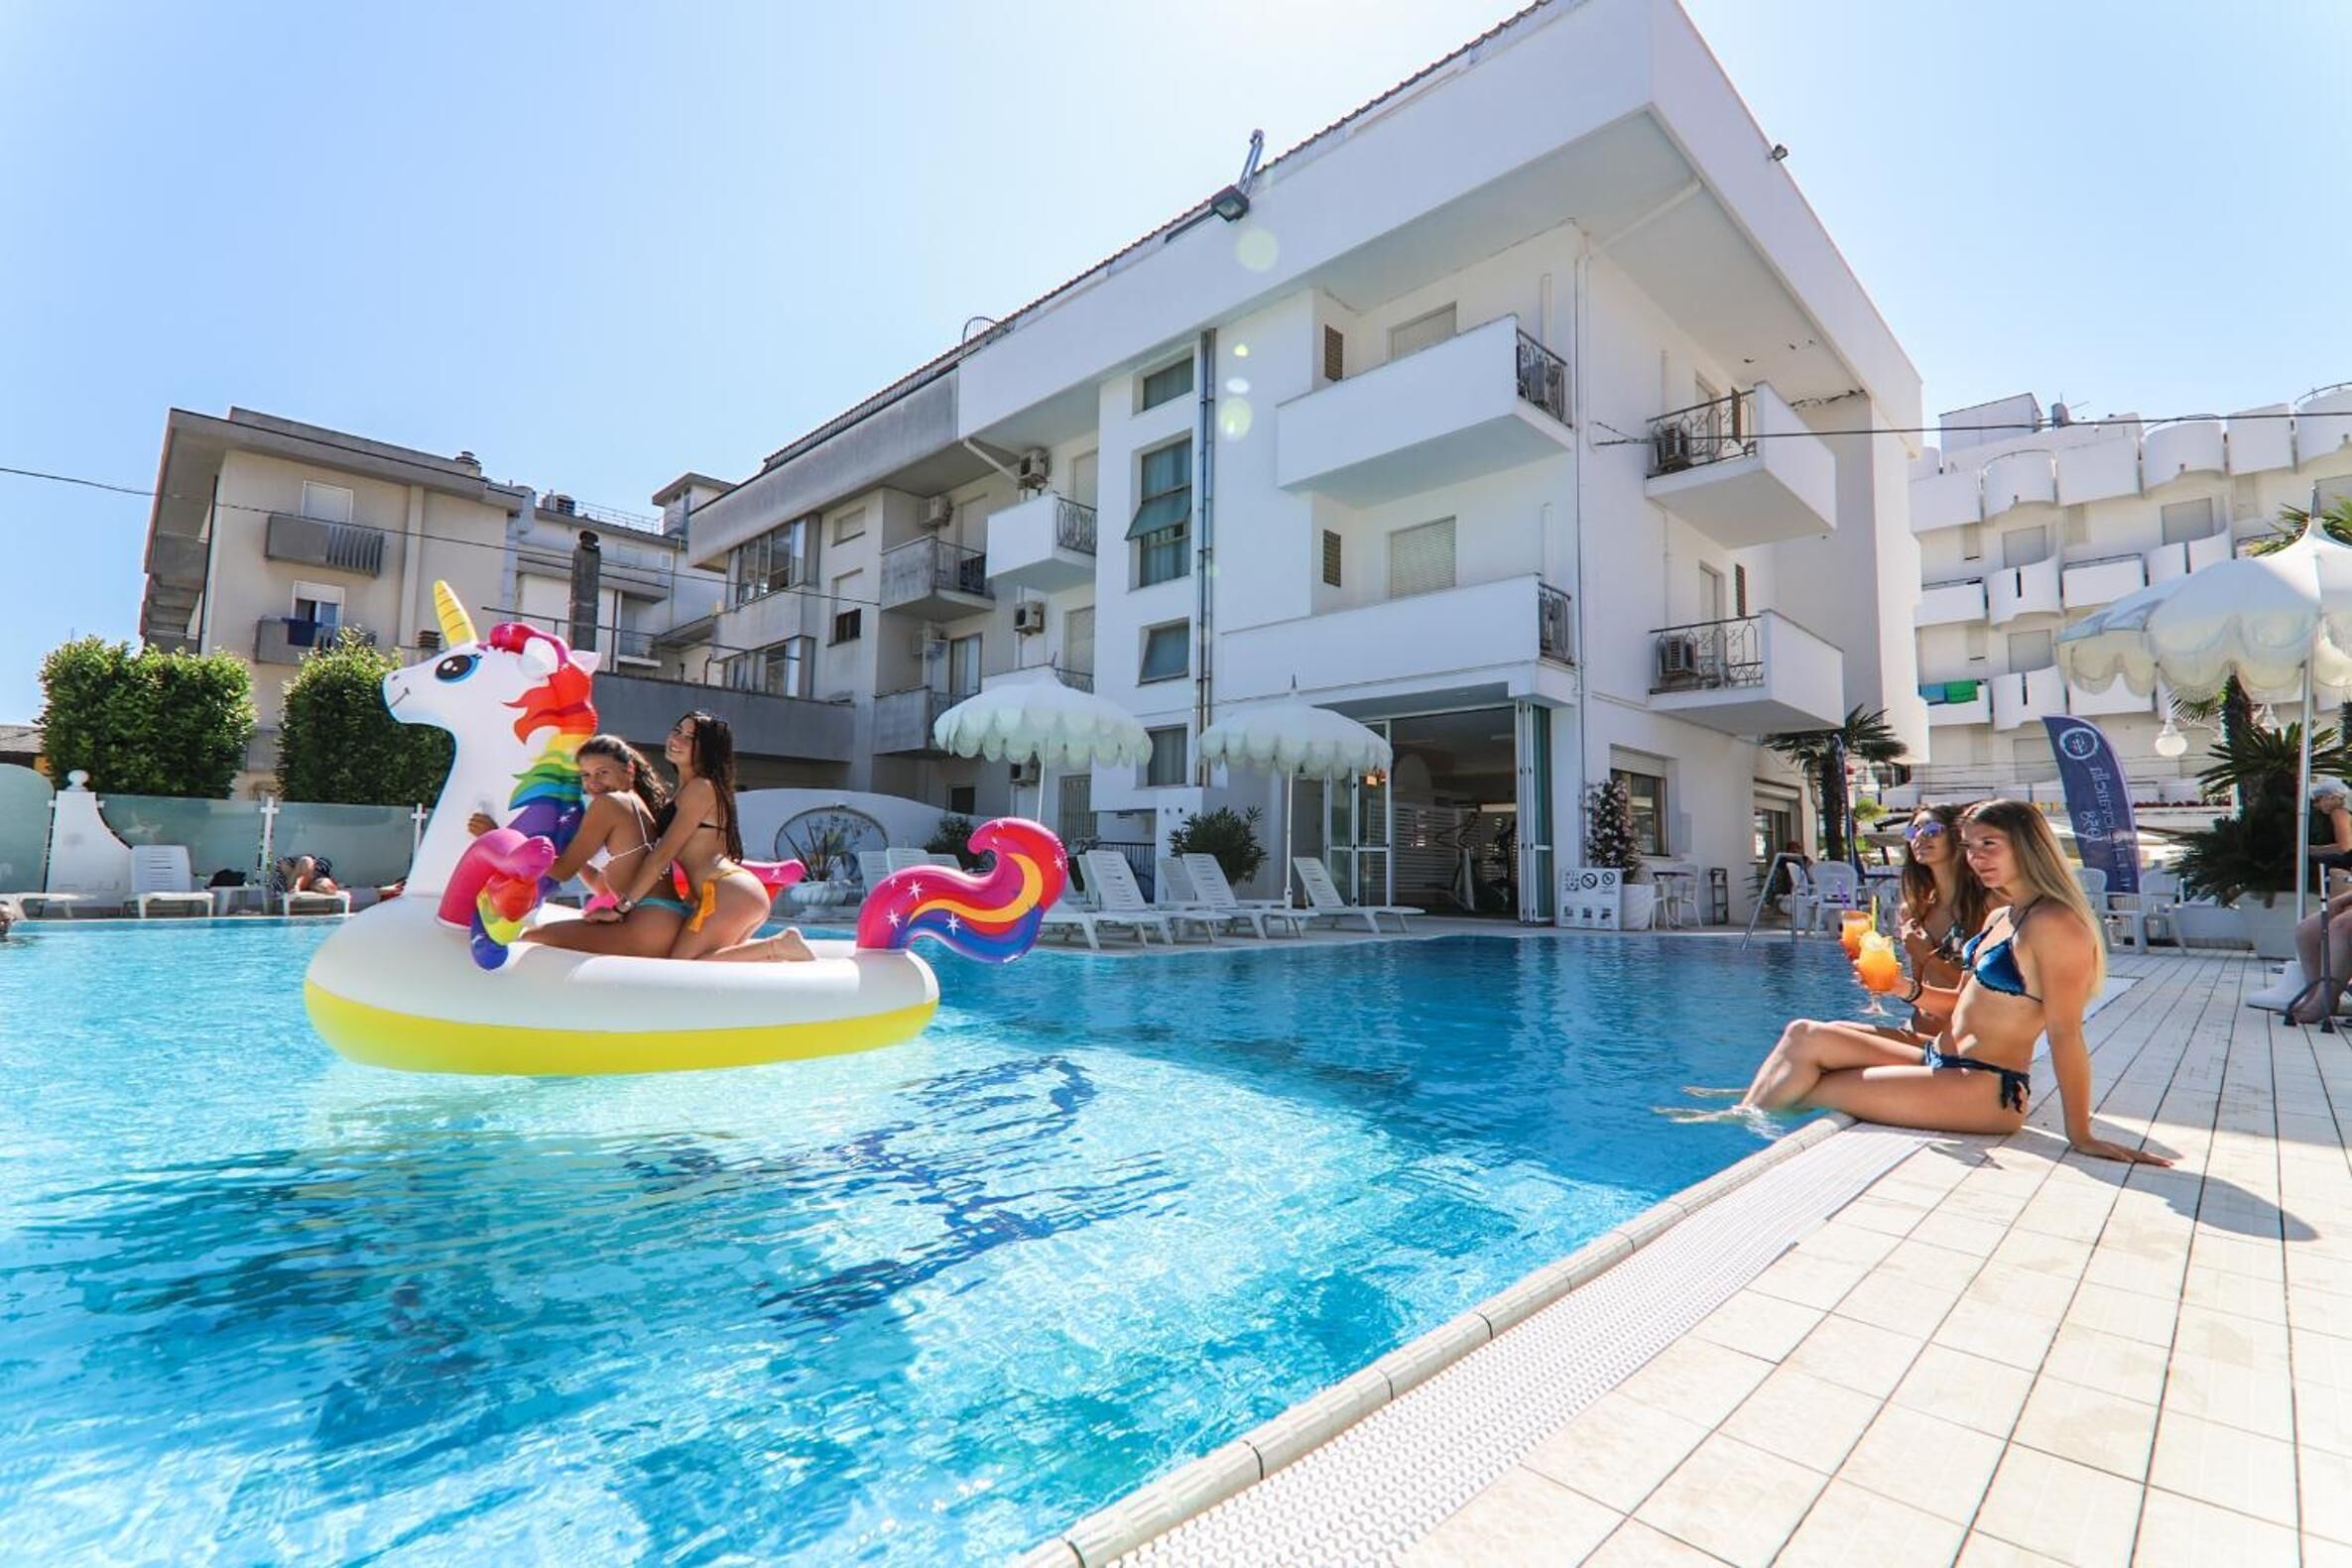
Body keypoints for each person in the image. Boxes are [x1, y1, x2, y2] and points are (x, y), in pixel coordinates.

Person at [1737, 798, 2168, 1164]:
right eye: (1970, 847)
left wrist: (2081, 1134)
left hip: (1984, 1086)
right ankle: (1742, 1123)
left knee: (1811, 1088)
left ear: (2028, 846)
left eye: (1989, 845)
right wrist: (1900, 987)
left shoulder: (2055, 923)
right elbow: (1963, 1005)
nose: (1976, 858)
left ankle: (1745, 1147)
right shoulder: (2002, 917)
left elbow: (2065, 1032)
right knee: (1804, 1034)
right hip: (1938, 1058)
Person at [600, 712, 810, 963]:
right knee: (707, 966)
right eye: (677, 731)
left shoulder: (701, 788)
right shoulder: (693, 790)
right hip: (731, 893)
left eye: (691, 738)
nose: (677, 740)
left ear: (707, 749)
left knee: (685, 964)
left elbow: (662, 855)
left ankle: (779, 945)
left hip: (727, 893)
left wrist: (622, 907)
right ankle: (776, 950)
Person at [469, 734, 686, 957]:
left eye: (602, 772)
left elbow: (563, 871)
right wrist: (568, 850)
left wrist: (498, 836)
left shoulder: (609, 803)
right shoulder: (635, 803)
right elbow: (600, 886)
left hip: (648, 924)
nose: (593, 782)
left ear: (628, 770)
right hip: (662, 919)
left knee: (528, 940)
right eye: (585, 775)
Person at [1893, 803, 1991, 1037]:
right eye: (1913, 831)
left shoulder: (1985, 908)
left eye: (1932, 830)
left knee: (1814, 1036)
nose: (1920, 837)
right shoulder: (1915, 911)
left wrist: (1927, 955)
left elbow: (1986, 994)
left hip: (1962, 1040)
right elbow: (1917, 990)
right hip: (1918, 1031)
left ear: (1958, 837)